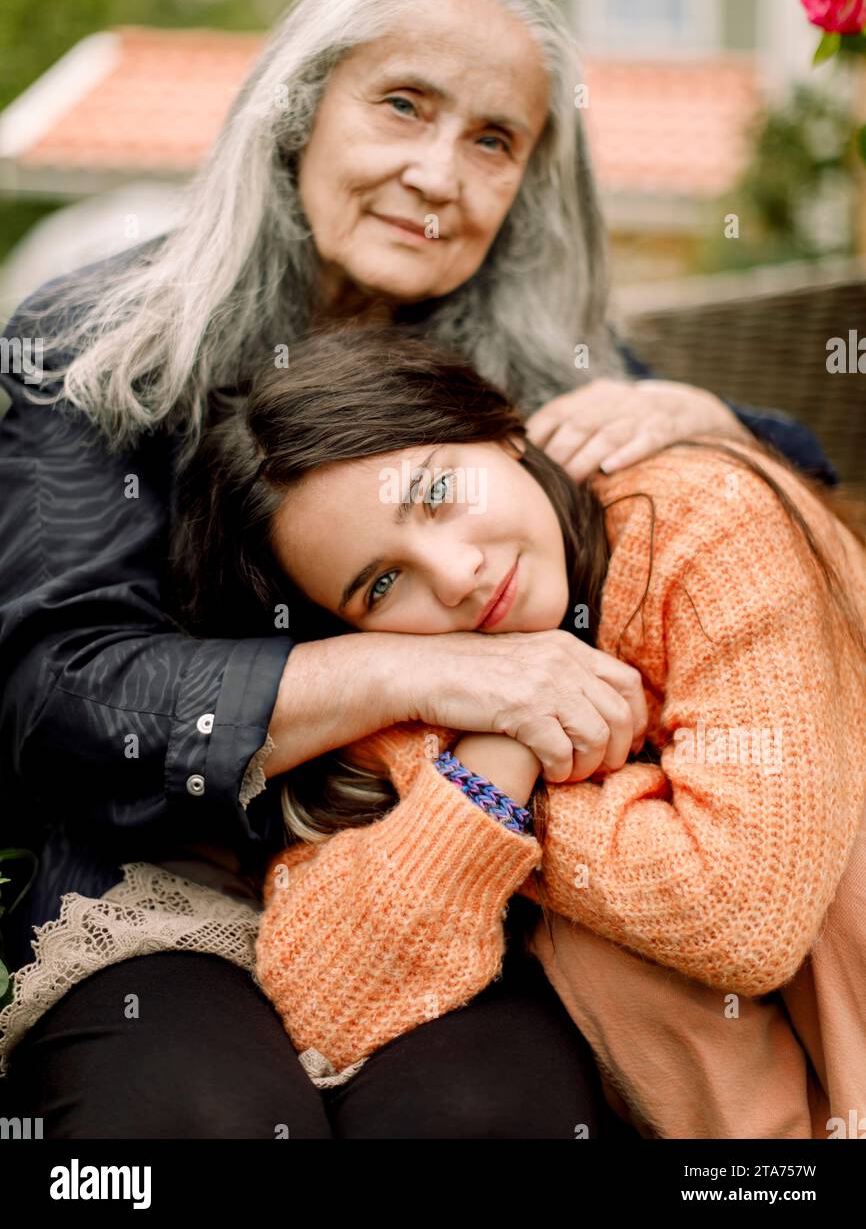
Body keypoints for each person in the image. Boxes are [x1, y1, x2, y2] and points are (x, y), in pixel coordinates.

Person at [0, 0, 839, 1139]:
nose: (440, 175)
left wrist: (706, 415)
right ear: (299, 109)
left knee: (475, 1121)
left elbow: (776, 473)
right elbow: (51, 690)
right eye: (402, 104)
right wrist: (444, 669)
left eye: (492, 140)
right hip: (163, 889)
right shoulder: (100, 344)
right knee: (201, 1120)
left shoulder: (513, 365)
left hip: (448, 881)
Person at [183, 324, 864, 1139]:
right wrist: (486, 768)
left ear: (503, 429)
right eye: (383, 583)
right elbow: (326, 1002)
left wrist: (469, 794)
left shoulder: (705, 524)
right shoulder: (408, 695)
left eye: (436, 494)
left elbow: (743, 916)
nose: (457, 574)